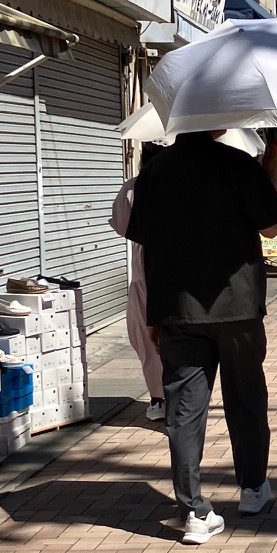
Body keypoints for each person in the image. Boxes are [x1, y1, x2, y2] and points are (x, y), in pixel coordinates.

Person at [128, 131, 277, 543]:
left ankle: (194, 512)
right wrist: (269, 170)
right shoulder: (239, 164)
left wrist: (152, 312)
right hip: (237, 306)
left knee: (183, 410)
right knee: (245, 398)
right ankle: (252, 488)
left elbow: (143, 243)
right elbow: (271, 228)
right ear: (216, 122)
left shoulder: (155, 171)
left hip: (177, 307)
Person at [110, 150, 165, 421]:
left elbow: (121, 226)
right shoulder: (186, 183)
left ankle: (159, 398)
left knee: (146, 335)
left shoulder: (134, 187)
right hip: (182, 270)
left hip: (145, 269)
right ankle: (183, 395)